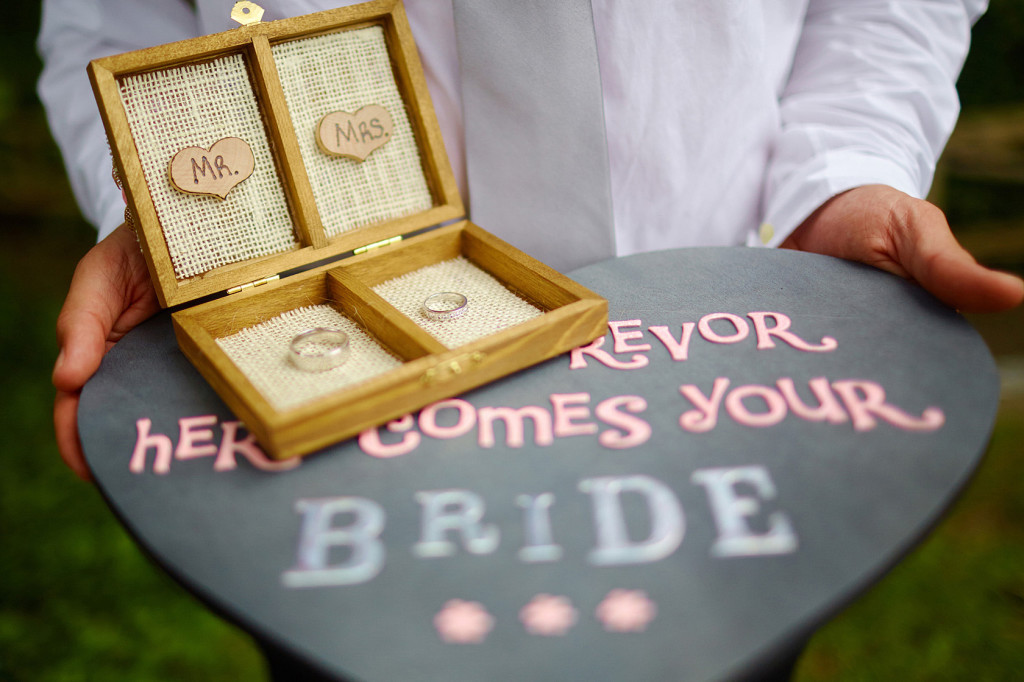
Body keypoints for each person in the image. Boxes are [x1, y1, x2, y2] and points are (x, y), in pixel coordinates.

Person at [39, 0, 1023, 482]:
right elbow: (110, 15)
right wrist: (182, 228)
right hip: (333, 421)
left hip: (716, 336)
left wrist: (847, 168)